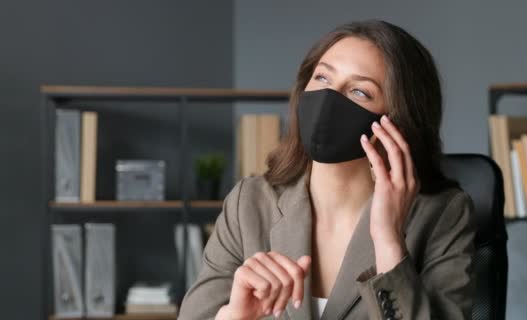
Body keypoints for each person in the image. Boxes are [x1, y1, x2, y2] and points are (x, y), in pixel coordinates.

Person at [179, 19, 476, 320]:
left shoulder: (442, 213)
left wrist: (389, 242)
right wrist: (234, 316)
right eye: (322, 77)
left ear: (398, 121)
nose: (328, 99)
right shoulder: (249, 203)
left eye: (359, 92)